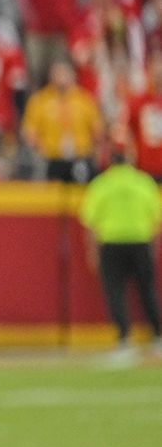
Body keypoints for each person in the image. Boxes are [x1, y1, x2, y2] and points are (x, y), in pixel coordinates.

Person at [79, 150, 162, 362]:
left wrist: (92, 251)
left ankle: (124, 339)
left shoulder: (102, 184)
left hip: (112, 242)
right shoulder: (143, 182)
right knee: (147, 291)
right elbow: (156, 219)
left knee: (115, 293)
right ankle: (158, 336)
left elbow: (90, 222)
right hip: (140, 241)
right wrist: (154, 246)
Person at [21, 59, 103, 183]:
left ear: (72, 76)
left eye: (64, 73)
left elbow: (97, 130)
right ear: (50, 76)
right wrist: (39, 149)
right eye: (58, 74)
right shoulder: (39, 101)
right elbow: (29, 131)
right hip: (51, 158)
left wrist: (93, 151)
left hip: (79, 157)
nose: (61, 78)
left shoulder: (84, 100)